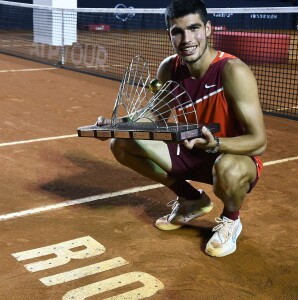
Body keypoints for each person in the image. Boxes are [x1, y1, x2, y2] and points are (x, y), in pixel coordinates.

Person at [96, 0, 267, 257]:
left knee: (228, 169)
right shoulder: (169, 68)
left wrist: (216, 144)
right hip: (190, 148)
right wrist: (117, 125)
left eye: (194, 28)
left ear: (208, 29)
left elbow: (259, 141)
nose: (187, 38)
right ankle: (191, 199)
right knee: (121, 143)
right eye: (177, 31)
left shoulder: (232, 71)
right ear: (169, 35)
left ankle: (231, 219)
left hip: (230, 156)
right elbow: (155, 114)